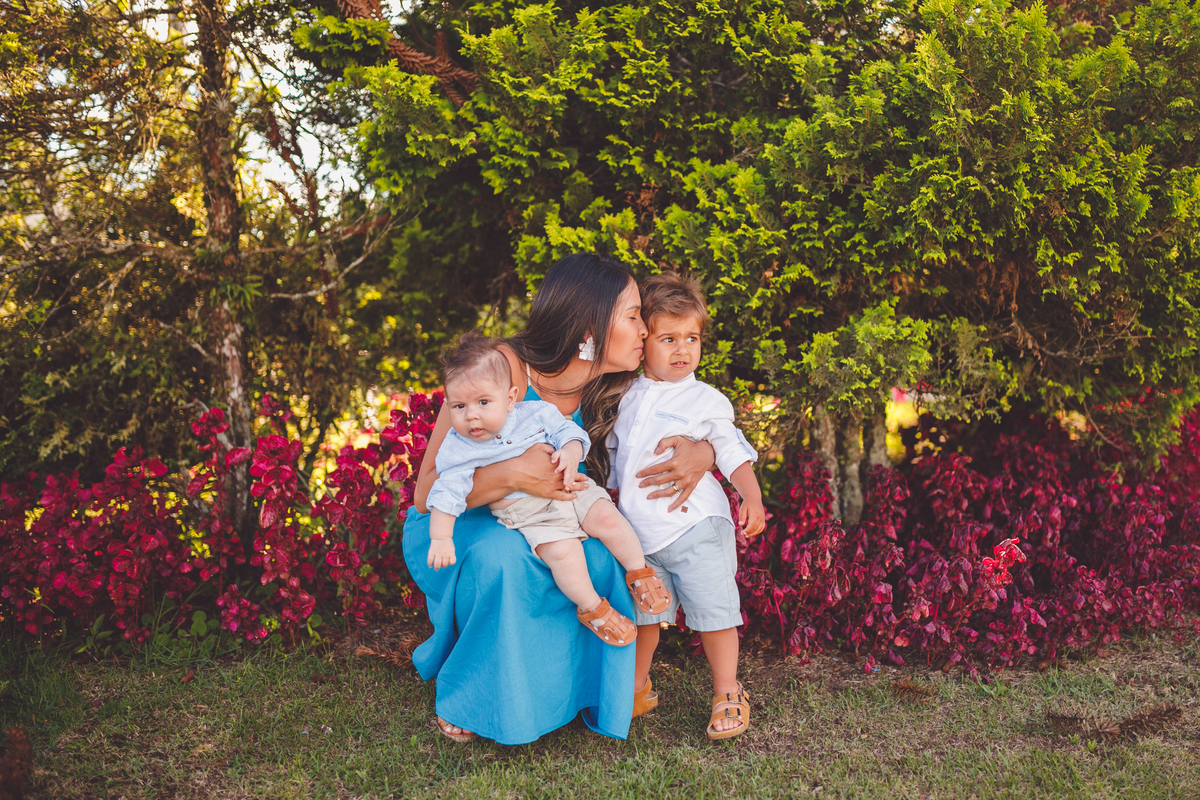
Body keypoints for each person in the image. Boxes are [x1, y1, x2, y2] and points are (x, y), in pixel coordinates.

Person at [402, 253, 716, 746]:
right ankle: (476, 691)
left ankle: (581, 691)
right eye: (633, 316)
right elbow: (426, 492)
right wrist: (511, 474)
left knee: (601, 556)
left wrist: (706, 450)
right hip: (460, 518)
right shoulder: (500, 368)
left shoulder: (617, 387)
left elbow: (698, 413)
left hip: (556, 515)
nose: (644, 329)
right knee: (507, 559)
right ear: (591, 324)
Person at [424, 333, 671, 646]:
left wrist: (569, 451)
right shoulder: (459, 449)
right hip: (532, 516)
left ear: (511, 398)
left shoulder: (535, 413)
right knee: (564, 557)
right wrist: (441, 538)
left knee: (608, 519)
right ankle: (593, 608)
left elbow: (568, 431)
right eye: (459, 406)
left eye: (484, 402)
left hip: (573, 488)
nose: (472, 415)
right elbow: (445, 495)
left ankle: (640, 573)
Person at [606, 270, 766, 741]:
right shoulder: (624, 395)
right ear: (643, 341)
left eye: (692, 338)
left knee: (714, 614)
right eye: (669, 338)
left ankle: (728, 691)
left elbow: (731, 449)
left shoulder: (705, 399)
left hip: (697, 528)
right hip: (640, 535)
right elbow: (616, 458)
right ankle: (636, 685)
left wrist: (750, 495)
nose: (682, 350)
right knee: (645, 616)